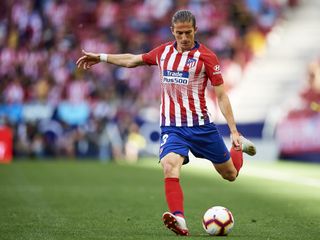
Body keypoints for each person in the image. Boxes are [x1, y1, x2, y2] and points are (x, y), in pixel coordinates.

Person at [76, 10, 256, 236]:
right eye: (179, 33)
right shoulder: (163, 53)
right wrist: (101, 57)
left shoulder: (207, 58)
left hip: (201, 127)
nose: (184, 38)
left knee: (230, 174)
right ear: (173, 32)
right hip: (172, 127)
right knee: (169, 165)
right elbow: (133, 60)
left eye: (188, 33)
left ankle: (238, 146)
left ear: (195, 31)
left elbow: (221, 95)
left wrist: (233, 130)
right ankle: (179, 218)